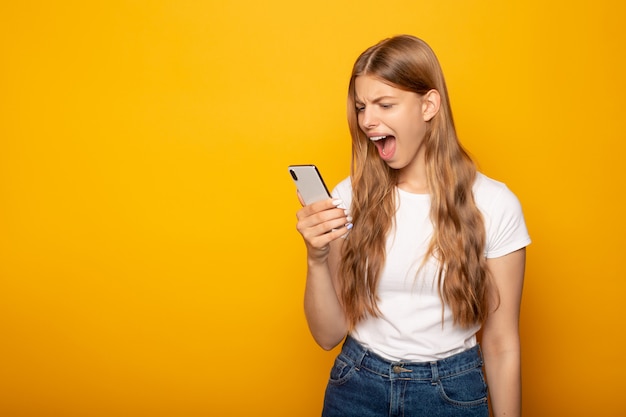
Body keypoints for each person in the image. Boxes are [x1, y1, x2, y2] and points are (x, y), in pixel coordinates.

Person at [295, 34, 530, 417]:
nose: (367, 121)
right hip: (356, 384)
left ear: (429, 105)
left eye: (384, 104)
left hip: (451, 392)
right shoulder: (349, 197)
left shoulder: (494, 204)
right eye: (360, 107)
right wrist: (316, 258)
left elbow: (503, 344)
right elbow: (327, 335)